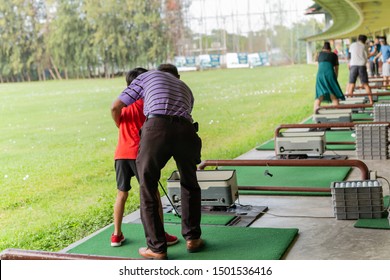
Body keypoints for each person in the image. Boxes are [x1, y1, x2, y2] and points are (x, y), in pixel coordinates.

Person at [111, 64, 203, 260]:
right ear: (175, 76)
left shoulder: (146, 77)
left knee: (148, 186)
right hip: (186, 130)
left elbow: (116, 106)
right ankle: (193, 238)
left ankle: (157, 248)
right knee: (189, 183)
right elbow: (183, 114)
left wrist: (119, 124)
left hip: (157, 126)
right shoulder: (185, 87)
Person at [111, 67, 178, 248]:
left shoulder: (123, 106)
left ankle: (116, 235)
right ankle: (160, 233)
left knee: (121, 194)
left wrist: (120, 125)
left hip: (120, 155)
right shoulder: (146, 103)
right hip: (139, 154)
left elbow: (115, 112)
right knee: (152, 194)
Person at [314, 42, 345, 112]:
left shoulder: (319, 54)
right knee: (333, 93)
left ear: (323, 48)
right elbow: (336, 68)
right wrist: (335, 78)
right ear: (330, 49)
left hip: (320, 75)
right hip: (330, 74)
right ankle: (338, 112)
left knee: (319, 94)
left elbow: (318, 66)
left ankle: (315, 111)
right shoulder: (334, 55)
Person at [346, 34, 373, 103]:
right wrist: (374, 52)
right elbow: (367, 56)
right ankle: (371, 101)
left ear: (358, 39)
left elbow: (349, 55)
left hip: (353, 65)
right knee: (366, 84)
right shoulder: (365, 46)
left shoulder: (352, 45)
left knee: (351, 83)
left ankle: (349, 101)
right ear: (365, 40)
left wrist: (348, 63)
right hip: (361, 66)